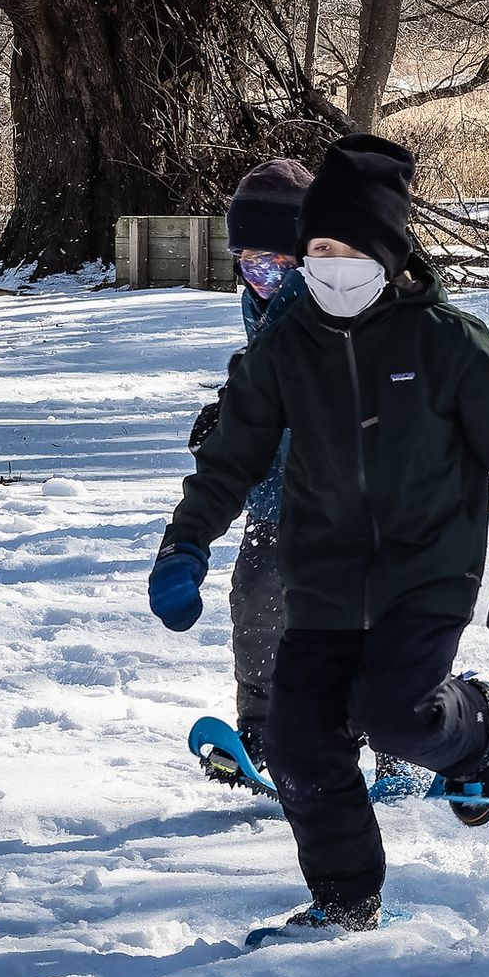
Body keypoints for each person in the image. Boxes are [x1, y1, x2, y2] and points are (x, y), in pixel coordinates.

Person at [147, 134, 489, 933]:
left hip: (424, 567)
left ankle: (477, 726)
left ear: (385, 253)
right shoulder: (283, 349)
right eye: (316, 249)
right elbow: (230, 458)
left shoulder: (448, 342)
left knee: (393, 711)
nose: (326, 265)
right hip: (325, 571)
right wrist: (185, 542)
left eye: (341, 249)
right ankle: (347, 900)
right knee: (300, 741)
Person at [185, 158, 314, 775]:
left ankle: (401, 734)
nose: (264, 281)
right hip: (275, 495)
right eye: (251, 265)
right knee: (258, 598)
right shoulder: (259, 302)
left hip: (351, 501)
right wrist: (229, 414)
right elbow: (264, 377)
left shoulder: (341, 302)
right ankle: (262, 734)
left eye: (279, 266)